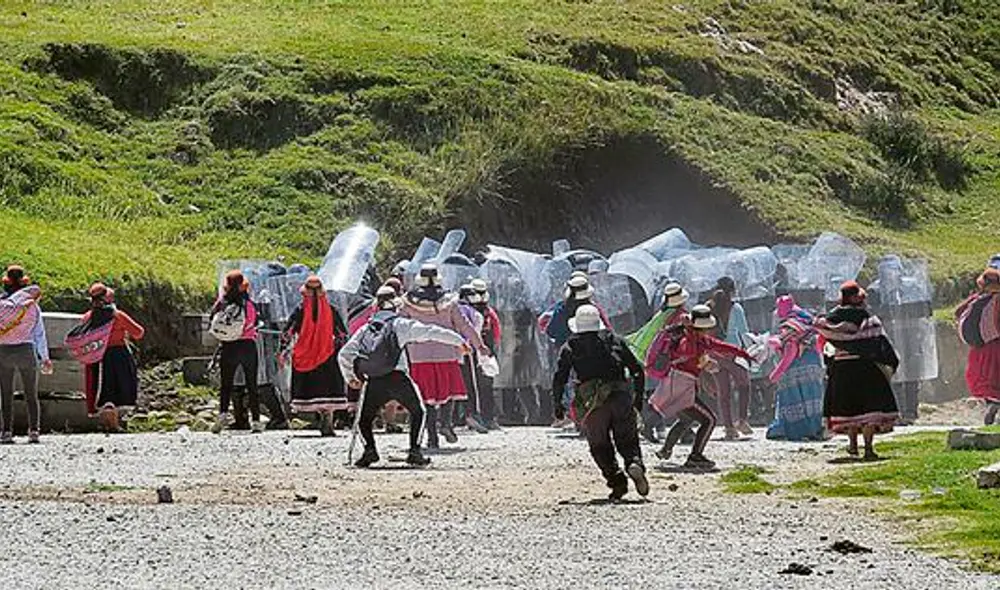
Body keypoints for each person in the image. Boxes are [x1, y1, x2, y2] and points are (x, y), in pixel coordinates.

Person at [340, 286, 470, 468]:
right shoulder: (400, 324)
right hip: (398, 378)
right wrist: (459, 341)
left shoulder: (366, 328)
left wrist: (351, 377)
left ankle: (370, 451)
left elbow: (344, 354)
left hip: (375, 379)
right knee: (419, 411)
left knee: (364, 418)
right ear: (396, 304)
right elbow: (431, 332)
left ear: (376, 305)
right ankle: (414, 452)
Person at [552, 305, 649, 501]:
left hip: (593, 404)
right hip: (620, 397)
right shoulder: (615, 341)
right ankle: (633, 463)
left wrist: (558, 405)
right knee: (628, 439)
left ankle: (617, 482)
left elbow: (559, 377)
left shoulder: (570, 346)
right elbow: (637, 370)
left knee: (599, 445)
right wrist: (638, 398)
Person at [646, 305, 752, 469]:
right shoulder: (689, 340)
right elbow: (688, 352)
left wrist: (742, 353)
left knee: (687, 419)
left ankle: (666, 449)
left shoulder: (700, 340)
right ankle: (695, 456)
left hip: (680, 385)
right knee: (709, 420)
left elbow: (720, 346)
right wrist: (700, 354)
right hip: (680, 387)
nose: (709, 331)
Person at [400, 264, 488, 449]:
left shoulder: (407, 301)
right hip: (447, 353)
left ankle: (432, 437)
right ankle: (446, 423)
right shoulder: (449, 300)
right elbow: (464, 326)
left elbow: (398, 325)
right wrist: (479, 345)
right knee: (448, 394)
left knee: (426, 398)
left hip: (419, 356)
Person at [816, 281, 899, 460]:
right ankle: (868, 449)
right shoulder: (868, 318)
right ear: (857, 297)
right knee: (869, 410)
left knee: (849, 409)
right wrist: (889, 361)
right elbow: (879, 342)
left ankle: (852, 446)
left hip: (842, 369)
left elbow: (826, 341)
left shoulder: (830, 320)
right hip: (866, 369)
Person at [540, 272, 612, 427]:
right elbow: (607, 329)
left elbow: (551, 330)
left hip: (568, 351)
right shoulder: (593, 308)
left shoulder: (561, 308)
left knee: (567, 382)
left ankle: (575, 417)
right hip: (595, 352)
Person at [282, 276, 349, 434]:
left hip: (305, 355)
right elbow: (342, 334)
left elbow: (287, 332)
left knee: (311, 389)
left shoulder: (299, 310)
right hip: (328, 354)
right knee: (328, 389)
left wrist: (283, 350)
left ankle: (320, 417)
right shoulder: (331, 309)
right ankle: (328, 418)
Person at [626, 282, 690, 443]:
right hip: (673, 361)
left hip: (658, 360)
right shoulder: (681, 316)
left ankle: (684, 431)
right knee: (675, 396)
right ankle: (650, 426)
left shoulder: (661, 314)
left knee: (669, 396)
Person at [79, 283, 145, 433]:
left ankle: (107, 423)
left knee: (103, 389)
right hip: (118, 354)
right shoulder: (117, 315)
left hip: (97, 357)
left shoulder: (87, 317)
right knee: (118, 387)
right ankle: (113, 424)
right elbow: (139, 332)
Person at [0, 266, 51, 444]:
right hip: (26, 351)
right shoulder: (32, 306)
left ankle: (6, 432)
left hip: (3, 351)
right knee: (31, 393)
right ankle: (34, 431)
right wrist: (44, 357)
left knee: (6, 394)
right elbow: (39, 333)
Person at [765, 295, 825, 441]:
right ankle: (815, 429)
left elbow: (789, 354)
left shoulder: (789, 328)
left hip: (795, 369)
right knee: (812, 400)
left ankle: (796, 430)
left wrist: (774, 376)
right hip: (814, 365)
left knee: (794, 400)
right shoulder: (807, 322)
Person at [211, 270, 263, 433]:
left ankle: (222, 416)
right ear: (244, 285)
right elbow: (255, 322)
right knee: (251, 384)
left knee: (226, 385)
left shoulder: (222, 302)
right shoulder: (249, 304)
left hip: (229, 345)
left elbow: (213, 318)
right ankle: (255, 421)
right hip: (248, 345)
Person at [706, 276, 753, 440]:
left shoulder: (709, 307)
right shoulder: (736, 308)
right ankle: (742, 419)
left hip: (714, 353)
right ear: (733, 291)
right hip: (732, 351)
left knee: (723, 392)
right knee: (744, 384)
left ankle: (728, 427)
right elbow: (744, 331)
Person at [956, 269, 1000, 424]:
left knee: (986, 382)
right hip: (996, 345)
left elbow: (958, 311)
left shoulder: (977, 299)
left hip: (980, 349)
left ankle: (991, 404)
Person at [469, 279, 502, 430]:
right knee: (487, 386)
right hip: (486, 352)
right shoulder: (490, 312)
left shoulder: (464, 311)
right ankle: (489, 418)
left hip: (469, 353)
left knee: (471, 386)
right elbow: (496, 335)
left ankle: (473, 416)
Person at [456, 284, 489, 433]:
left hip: (448, 352)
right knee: (470, 385)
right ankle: (473, 414)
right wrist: (480, 348)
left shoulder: (450, 309)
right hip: (466, 352)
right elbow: (474, 332)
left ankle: (450, 419)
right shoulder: (474, 313)